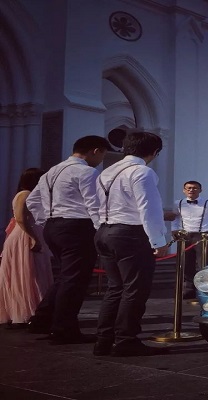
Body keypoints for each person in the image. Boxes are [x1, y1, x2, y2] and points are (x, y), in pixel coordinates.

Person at [26, 136, 110, 343]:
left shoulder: (51, 172)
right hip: (77, 227)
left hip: (54, 227)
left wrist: (46, 221)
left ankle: (42, 320)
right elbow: (93, 204)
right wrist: (101, 230)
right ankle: (64, 329)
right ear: (95, 151)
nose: (101, 160)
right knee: (75, 280)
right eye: (102, 155)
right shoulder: (86, 171)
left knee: (66, 277)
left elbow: (32, 201)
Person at [93, 131, 169, 357]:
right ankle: (126, 340)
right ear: (154, 152)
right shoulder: (142, 171)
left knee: (115, 288)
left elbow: (95, 204)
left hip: (105, 231)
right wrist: (159, 241)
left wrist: (103, 229)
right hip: (129, 234)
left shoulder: (107, 171)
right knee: (134, 289)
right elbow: (149, 208)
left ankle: (103, 341)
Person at [0, 168, 53, 328]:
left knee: (31, 272)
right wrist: (33, 237)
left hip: (29, 233)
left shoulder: (28, 194)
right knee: (28, 272)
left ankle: (34, 312)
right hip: (25, 235)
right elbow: (21, 218)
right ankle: (28, 312)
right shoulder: (25, 194)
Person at [169, 180, 208, 299]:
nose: (191, 190)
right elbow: (175, 218)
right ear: (184, 190)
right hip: (185, 236)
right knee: (186, 264)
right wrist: (174, 230)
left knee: (203, 263)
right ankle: (189, 289)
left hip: (202, 236)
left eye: (194, 188)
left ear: (200, 190)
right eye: (188, 188)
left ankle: (205, 290)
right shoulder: (178, 203)